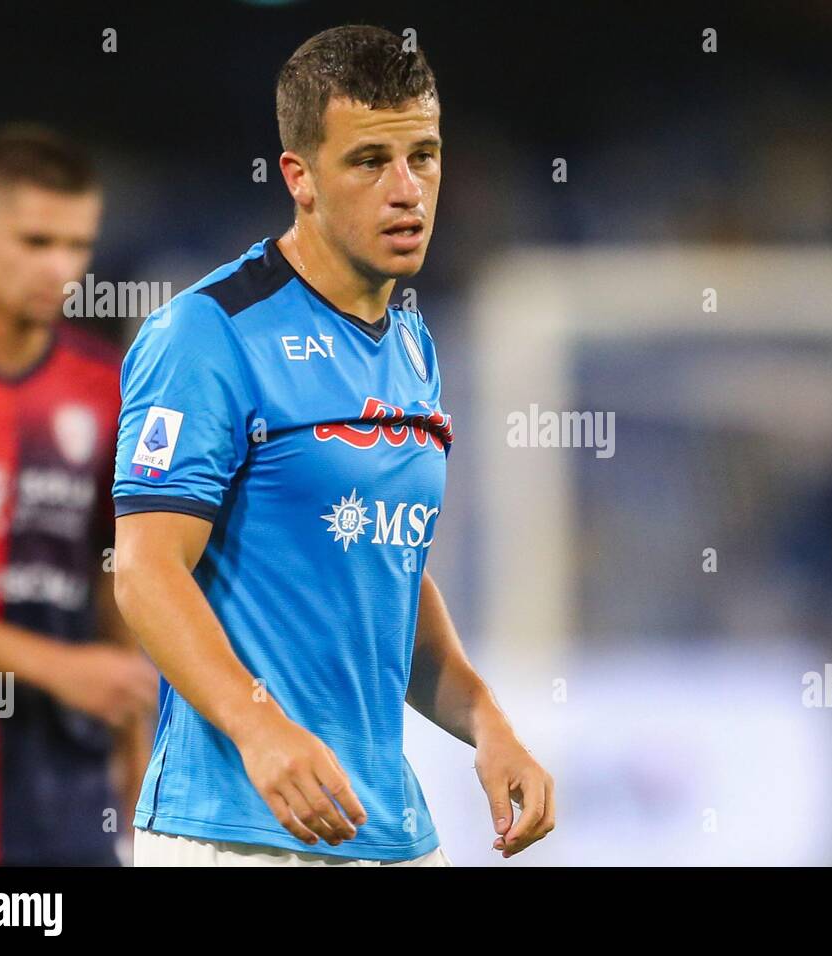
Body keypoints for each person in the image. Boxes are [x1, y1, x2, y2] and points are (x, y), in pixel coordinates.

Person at [114, 24, 554, 867]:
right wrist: (259, 728)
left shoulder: (411, 345)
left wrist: (487, 724)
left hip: (386, 829)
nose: (407, 190)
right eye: (369, 161)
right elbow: (144, 569)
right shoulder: (208, 335)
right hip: (235, 831)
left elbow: (389, 571)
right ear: (300, 177)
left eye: (423, 156)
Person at [0, 124, 157, 865]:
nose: (62, 269)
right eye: (35, 242)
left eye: (77, 246)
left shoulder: (109, 386)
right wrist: (54, 668)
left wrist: (137, 754)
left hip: (68, 804)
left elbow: (115, 576)